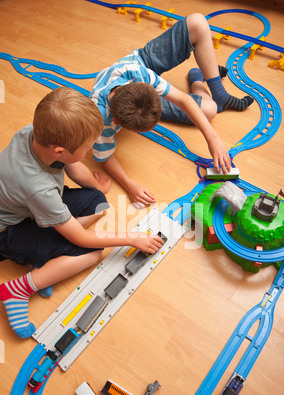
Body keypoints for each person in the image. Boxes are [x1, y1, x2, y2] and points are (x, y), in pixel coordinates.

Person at [0, 87, 164, 339]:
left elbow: (74, 167)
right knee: (91, 254)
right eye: (87, 147)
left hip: (27, 208)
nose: (89, 151)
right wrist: (131, 238)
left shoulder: (32, 133)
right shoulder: (39, 189)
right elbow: (81, 239)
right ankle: (18, 289)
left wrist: (97, 186)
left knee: (98, 201)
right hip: (8, 231)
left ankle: (47, 259)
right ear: (59, 151)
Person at [90, 13, 254, 207]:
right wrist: (130, 185)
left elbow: (183, 100)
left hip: (141, 62)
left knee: (198, 23)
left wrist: (213, 139)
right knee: (209, 110)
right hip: (120, 100)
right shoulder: (99, 121)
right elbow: (104, 156)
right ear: (116, 122)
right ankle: (196, 77)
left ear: (145, 86)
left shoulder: (137, 72)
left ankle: (218, 92)